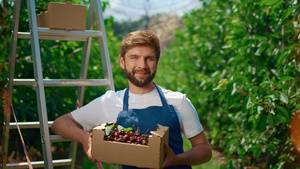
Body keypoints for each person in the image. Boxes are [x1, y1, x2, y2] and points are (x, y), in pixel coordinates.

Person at [52, 30, 212, 169]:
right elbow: (60, 123)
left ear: (157, 62)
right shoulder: (109, 102)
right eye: (134, 57)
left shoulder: (178, 101)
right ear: (122, 62)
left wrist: (176, 160)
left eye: (149, 58)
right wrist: (85, 138)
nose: (142, 65)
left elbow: (204, 150)